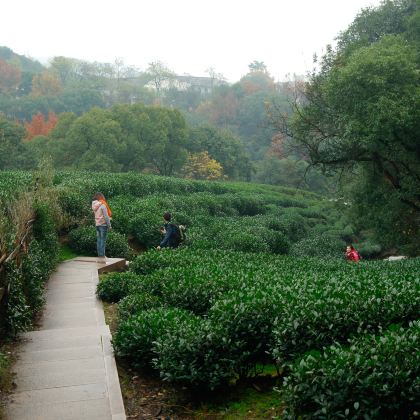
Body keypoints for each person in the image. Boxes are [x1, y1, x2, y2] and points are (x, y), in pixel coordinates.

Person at [92, 192, 112, 262]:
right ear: (101, 197)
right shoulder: (103, 205)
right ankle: (102, 256)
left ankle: (100, 255)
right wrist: (109, 226)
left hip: (97, 225)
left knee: (99, 240)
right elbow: (106, 217)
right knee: (103, 241)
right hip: (103, 225)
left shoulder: (94, 205)